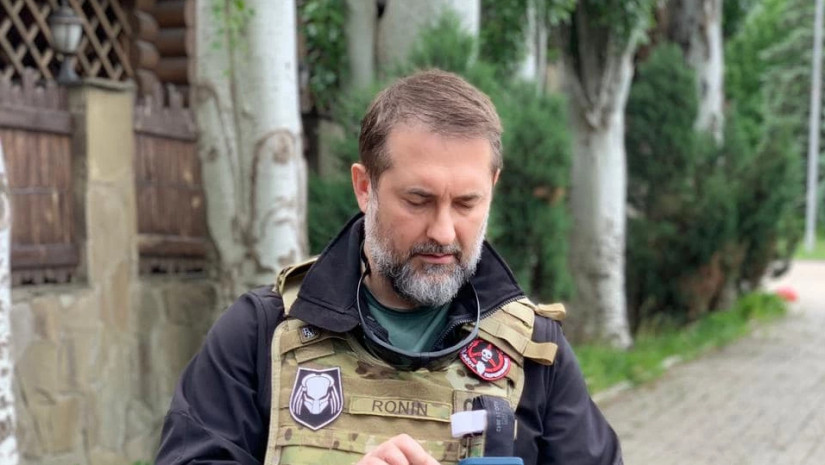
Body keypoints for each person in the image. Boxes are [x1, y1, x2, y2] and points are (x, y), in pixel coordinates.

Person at [156, 69, 622, 465]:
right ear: (366, 187)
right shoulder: (262, 332)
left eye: (466, 203)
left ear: (492, 188)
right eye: (418, 200)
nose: (443, 231)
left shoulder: (535, 350)